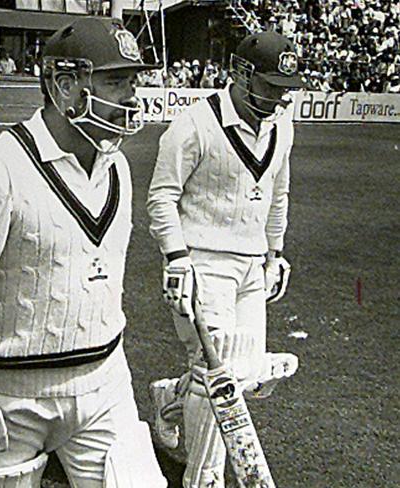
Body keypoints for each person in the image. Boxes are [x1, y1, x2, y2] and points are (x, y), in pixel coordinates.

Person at [0, 16, 167, 488]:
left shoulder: (117, 165)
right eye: (117, 82)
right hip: (12, 394)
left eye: (133, 81)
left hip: (104, 382)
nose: (132, 97)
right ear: (65, 86)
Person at [146, 31, 302, 488]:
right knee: (219, 374)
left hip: (252, 264)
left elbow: (279, 195)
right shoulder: (193, 125)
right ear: (240, 73)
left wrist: (275, 253)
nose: (277, 99)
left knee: (247, 373)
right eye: (270, 87)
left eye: (285, 90)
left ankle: (170, 398)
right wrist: (176, 257)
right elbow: (162, 197)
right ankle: (205, 477)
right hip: (201, 263)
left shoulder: (282, 128)